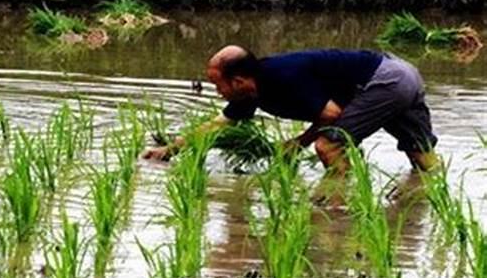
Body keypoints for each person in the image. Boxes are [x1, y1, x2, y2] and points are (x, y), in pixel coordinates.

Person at [143, 46, 439, 205]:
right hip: (404, 75)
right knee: (425, 163)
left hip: (387, 81)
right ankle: (429, 209)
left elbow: (332, 115)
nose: (217, 91)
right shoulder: (251, 91)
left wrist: (298, 144)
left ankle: (335, 210)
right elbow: (218, 124)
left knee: (329, 145)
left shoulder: (282, 77)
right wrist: (170, 149)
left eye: (216, 83)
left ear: (237, 81)